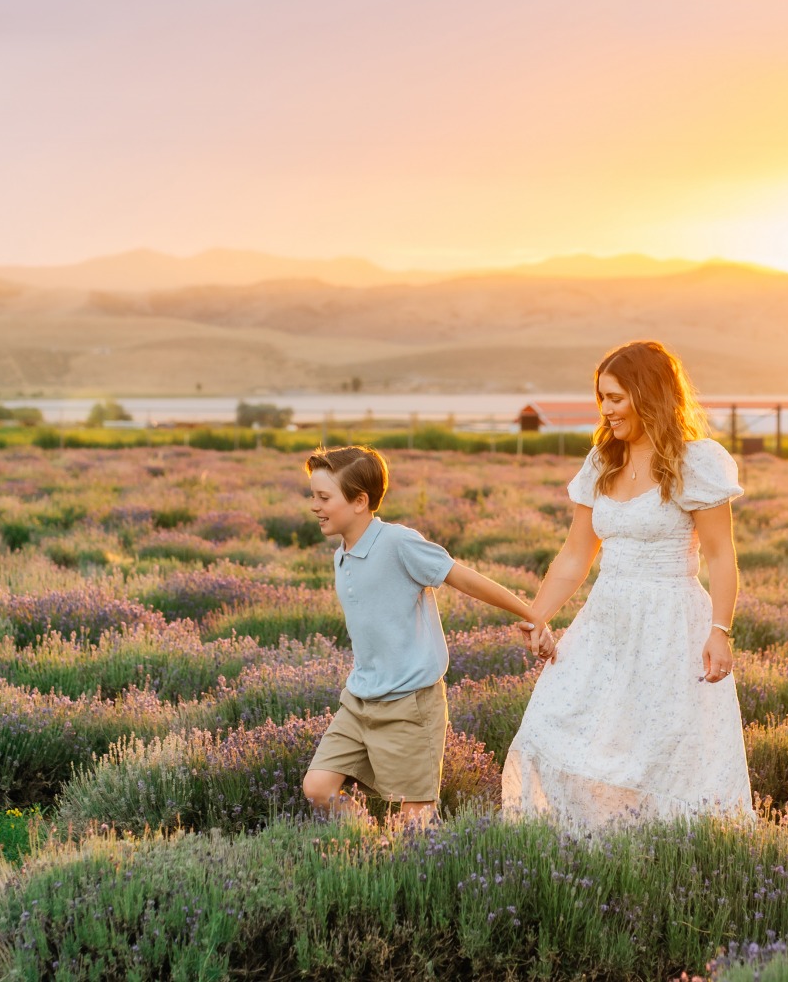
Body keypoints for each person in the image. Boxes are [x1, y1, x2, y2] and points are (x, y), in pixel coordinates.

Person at [503, 340, 753, 831]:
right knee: (558, 730)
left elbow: (722, 556)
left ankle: (670, 862)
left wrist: (720, 629)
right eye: (602, 398)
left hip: (671, 624)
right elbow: (576, 555)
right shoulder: (602, 462)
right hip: (606, 621)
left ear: (649, 394)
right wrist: (538, 616)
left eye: (616, 397)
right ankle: (588, 853)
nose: (607, 409)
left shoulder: (695, 461)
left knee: (663, 752)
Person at [299, 445, 538, 826]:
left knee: (416, 818)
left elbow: (463, 578)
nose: (314, 505)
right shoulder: (341, 552)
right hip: (359, 700)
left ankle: (414, 871)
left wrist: (529, 612)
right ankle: (369, 847)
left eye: (324, 497)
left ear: (360, 501)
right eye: (313, 495)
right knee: (318, 787)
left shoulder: (398, 543)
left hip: (409, 706)